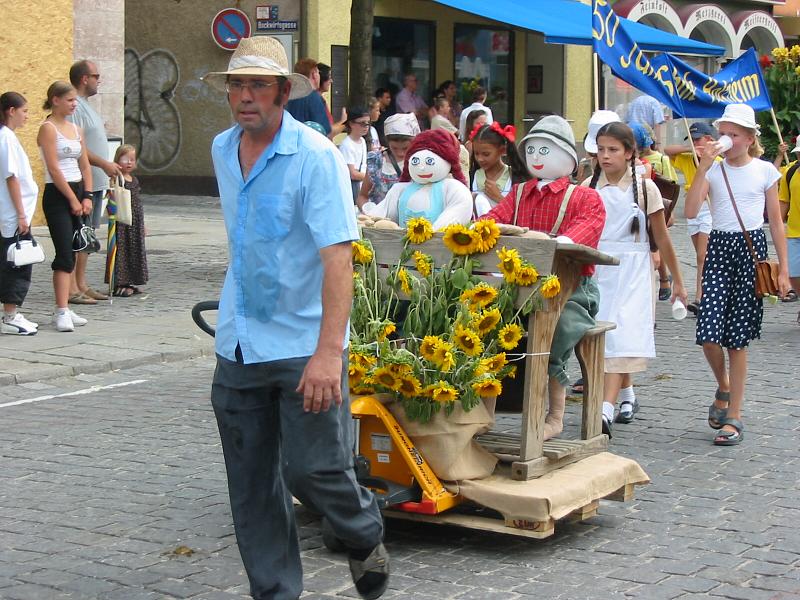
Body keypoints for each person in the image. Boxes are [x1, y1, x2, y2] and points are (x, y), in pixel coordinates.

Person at [201, 36, 388, 600]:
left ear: (285, 93)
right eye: (237, 85)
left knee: (314, 472)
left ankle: (363, 531)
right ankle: (276, 592)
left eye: (258, 85)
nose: (245, 96)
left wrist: (329, 353)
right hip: (239, 342)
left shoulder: (315, 157)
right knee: (253, 488)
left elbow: (339, 259)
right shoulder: (220, 148)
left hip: (305, 344)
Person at [483, 116, 606, 440]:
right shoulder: (520, 193)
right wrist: (483, 228)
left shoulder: (584, 197)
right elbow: (490, 220)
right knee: (486, 320)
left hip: (572, 290)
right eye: (532, 150)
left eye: (546, 150)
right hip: (519, 287)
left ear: (567, 156)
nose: (537, 157)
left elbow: (581, 236)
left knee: (556, 327)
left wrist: (551, 242)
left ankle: (555, 414)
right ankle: (485, 408)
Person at [686, 103, 790, 446]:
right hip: (719, 248)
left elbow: (775, 222)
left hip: (751, 251)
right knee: (708, 331)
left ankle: (735, 415)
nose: (726, 139)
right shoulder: (714, 171)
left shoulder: (763, 171)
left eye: (733, 133)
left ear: (749, 138)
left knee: (738, 339)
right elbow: (690, 210)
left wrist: (784, 271)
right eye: (723, 133)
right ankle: (724, 386)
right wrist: (703, 166)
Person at [585, 122, 688, 433]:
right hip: (600, 268)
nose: (605, 156)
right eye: (601, 149)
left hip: (633, 269)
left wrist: (677, 281)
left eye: (613, 150)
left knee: (622, 334)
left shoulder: (645, 189)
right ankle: (626, 394)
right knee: (605, 339)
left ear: (629, 152)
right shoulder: (589, 186)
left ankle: (603, 411)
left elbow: (662, 238)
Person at [37, 81, 92, 332]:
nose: (73, 104)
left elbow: (85, 165)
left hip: (79, 189)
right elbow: (54, 168)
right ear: (55, 100)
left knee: (77, 246)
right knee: (64, 252)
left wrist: (87, 196)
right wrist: (71, 198)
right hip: (59, 193)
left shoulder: (76, 128)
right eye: (69, 100)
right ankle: (60, 309)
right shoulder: (48, 128)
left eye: (75, 101)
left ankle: (68, 308)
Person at [68, 59, 120, 305]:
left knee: (88, 235)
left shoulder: (86, 106)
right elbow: (77, 147)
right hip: (84, 182)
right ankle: (74, 287)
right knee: (79, 235)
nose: (99, 80)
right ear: (83, 79)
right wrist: (105, 164)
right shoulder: (75, 107)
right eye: (96, 76)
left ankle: (82, 283)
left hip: (96, 181)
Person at [362, 128, 473, 228]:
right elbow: (378, 215)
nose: (421, 168)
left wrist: (432, 234)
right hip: (399, 245)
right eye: (415, 162)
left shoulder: (453, 189)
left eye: (429, 161)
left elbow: (454, 216)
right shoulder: (400, 189)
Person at [665, 122, 720, 314]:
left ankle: (700, 297)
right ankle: (704, 295)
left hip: (709, 206)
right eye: (692, 139)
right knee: (701, 256)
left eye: (698, 139)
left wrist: (707, 154)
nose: (695, 142)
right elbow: (668, 150)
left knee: (702, 256)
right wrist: (691, 148)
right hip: (693, 206)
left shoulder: (718, 160)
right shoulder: (689, 158)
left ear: (710, 140)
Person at [0, 92, 39, 336]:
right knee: (17, 264)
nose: (27, 116)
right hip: (14, 215)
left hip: (14, 213)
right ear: (11, 111)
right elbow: (12, 177)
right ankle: (11, 314)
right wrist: (21, 215)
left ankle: (12, 312)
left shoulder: (8, 138)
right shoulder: (6, 139)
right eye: (24, 111)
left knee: (14, 261)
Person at [630, 121, 677, 301]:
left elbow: (646, 191)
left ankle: (664, 280)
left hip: (650, 208)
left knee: (658, 243)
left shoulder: (648, 164)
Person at [107, 144, 147, 297]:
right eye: (125, 159)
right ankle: (119, 283)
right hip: (122, 221)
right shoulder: (117, 179)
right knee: (122, 251)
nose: (129, 163)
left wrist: (143, 225)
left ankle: (131, 280)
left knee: (134, 250)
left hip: (135, 220)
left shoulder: (134, 179)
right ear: (117, 160)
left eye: (132, 159)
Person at [357, 113, 419, 209]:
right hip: (380, 220)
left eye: (405, 148)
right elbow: (362, 196)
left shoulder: (421, 162)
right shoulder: (376, 161)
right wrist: (368, 209)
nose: (400, 153)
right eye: (395, 148)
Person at [469, 122, 527, 217]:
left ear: (503, 150)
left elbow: (522, 214)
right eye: (476, 153)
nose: (480, 159)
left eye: (486, 154)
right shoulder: (472, 177)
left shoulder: (515, 178)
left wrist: (498, 197)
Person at [777, 139, 800, 313]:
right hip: (795, 232)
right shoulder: (791, 171)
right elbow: (783, 201)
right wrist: (777, 222)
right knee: (793, 274)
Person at [285, 57, 331, 136]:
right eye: (318, 73)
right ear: (314, 74)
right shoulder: (314, 97)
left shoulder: (289, 97)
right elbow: (324, 130)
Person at [339, 107, 370, 202]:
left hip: (361, 187)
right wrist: (371, 178)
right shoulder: (346, 144)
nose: (366, 127)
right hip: (352, 189)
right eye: (362, 123)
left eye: (368, 123)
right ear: (351, 123)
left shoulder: (362, 141)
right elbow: (353, 174)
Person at [317, 62, 347, 138]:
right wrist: (345, 123)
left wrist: (342, 121)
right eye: (329, 77)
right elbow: (328, 133)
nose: (331, 81)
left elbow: (329, 127)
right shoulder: (317, 102)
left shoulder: (321, 100)